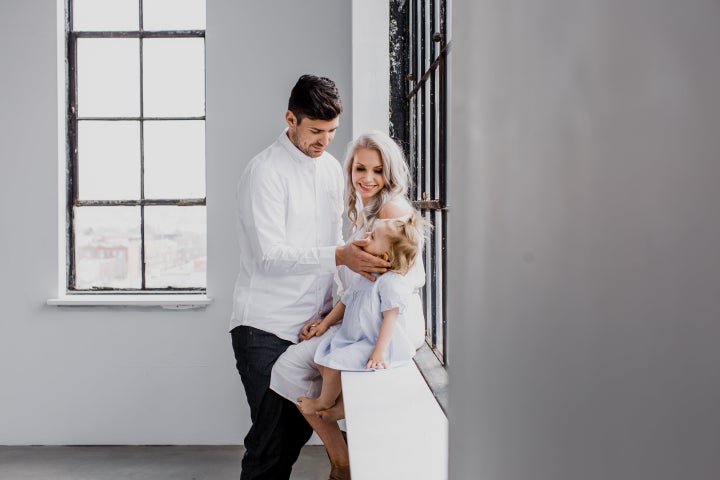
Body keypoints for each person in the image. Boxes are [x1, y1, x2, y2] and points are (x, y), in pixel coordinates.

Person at [230, 75, 390, 480]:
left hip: (314, 327)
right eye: (316, 131)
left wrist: (334, 310)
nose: (324, 141)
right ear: (290, 119)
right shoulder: (263, 172)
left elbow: (332, 240)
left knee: (292, 440)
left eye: (332, 131)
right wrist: (341, 256)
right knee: (270, 445)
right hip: (264, 326)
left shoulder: (332, 169)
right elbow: (269, 257)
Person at [296, 212, 427, 415]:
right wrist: (324, 324)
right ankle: (340, 406)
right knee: (322, 361)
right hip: (353, 338)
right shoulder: (366, 276)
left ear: (384, 257)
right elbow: (345, 302)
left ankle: (323, 402)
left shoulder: (390, 282)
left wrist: (378, 351)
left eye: (372, 237)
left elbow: (390, 320)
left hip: (374, 343)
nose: (366, 236)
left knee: (331, 366)